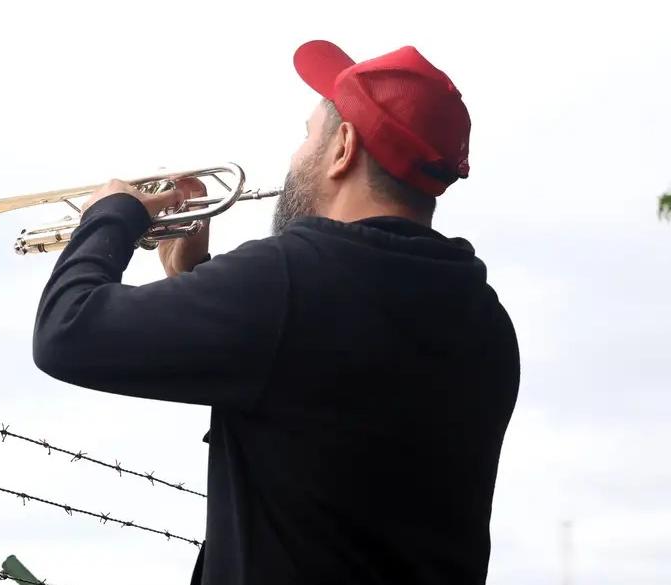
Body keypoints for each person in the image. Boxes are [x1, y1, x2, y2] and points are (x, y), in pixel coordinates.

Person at [31, 39, 519, 585]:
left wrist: (110, 215)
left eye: (306, 135)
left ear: (342, 149)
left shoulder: (294, 277)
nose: (295, 158)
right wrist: (197, 280)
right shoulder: (484, 318)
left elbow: (67, 331)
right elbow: (312, 408)